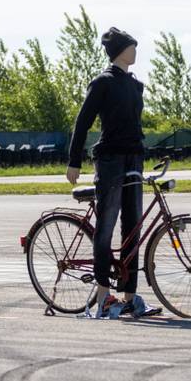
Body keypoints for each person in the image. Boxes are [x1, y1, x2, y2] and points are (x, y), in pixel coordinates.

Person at [65, 27, 161, 319]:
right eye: (132, 46)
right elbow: (82, 123)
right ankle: (104, 296)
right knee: (106, 226)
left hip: (134, 158)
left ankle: (130, 297)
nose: (136, 51)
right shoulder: (102, 82)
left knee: (133, 226)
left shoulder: (136, 85)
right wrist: (74, 161)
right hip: (109, 160)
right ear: (119, 50)